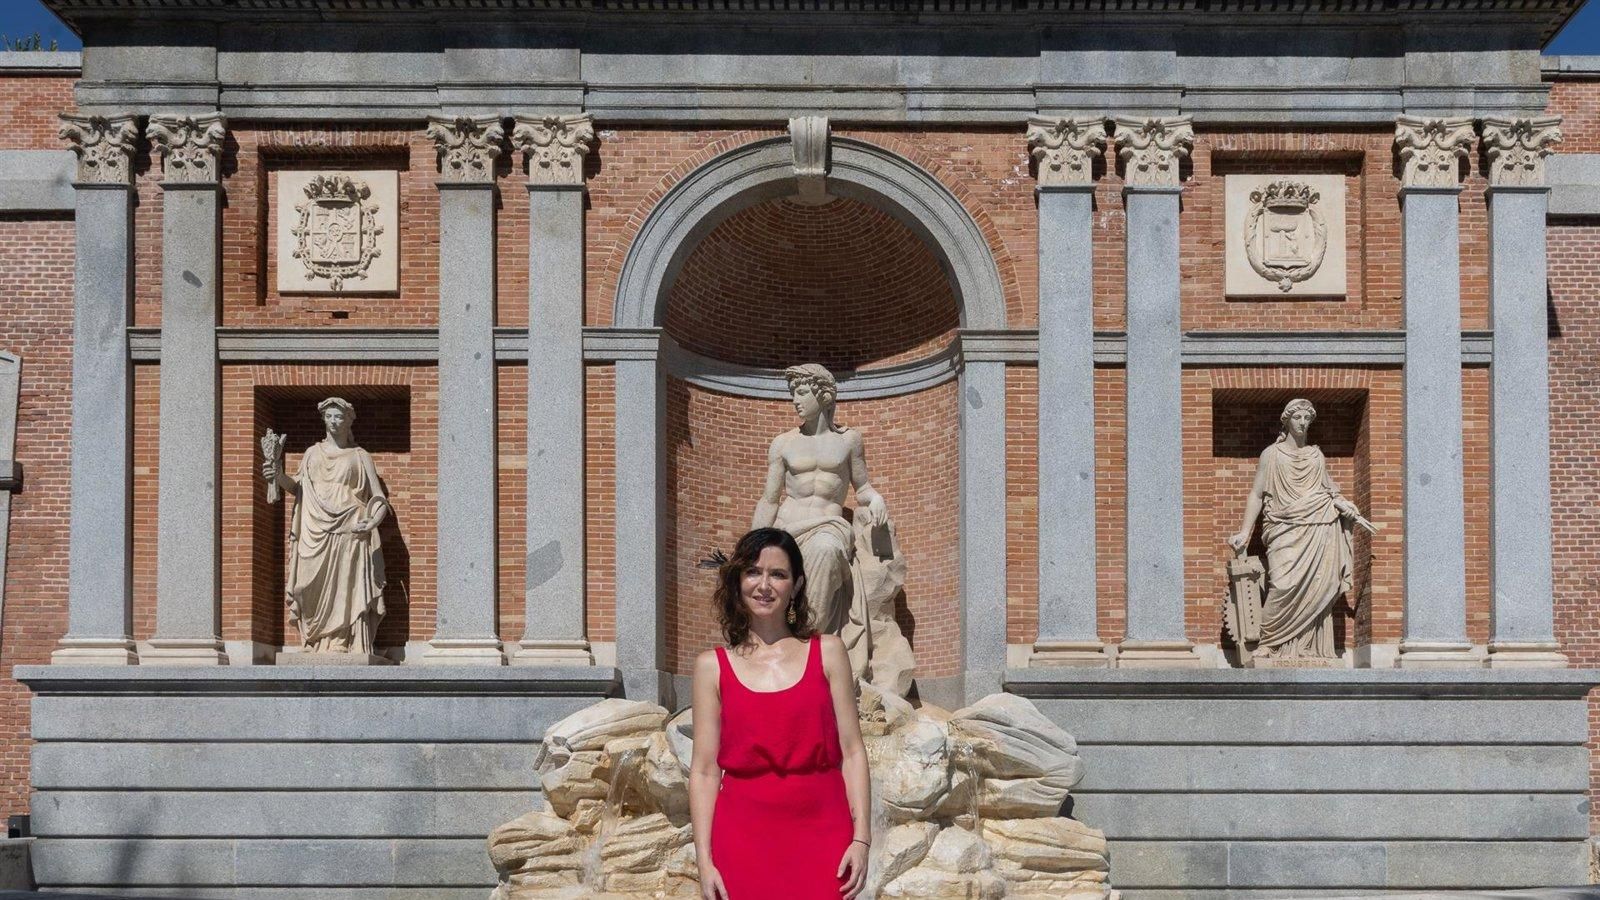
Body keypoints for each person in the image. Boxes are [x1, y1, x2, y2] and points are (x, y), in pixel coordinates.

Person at [688, 528, 872, 900]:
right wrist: (704, 860)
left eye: (778, 574)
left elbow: (853, 752)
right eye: (753, 572)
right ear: (738, 580)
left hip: (824, 834)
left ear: (797, 584)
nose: (764, 585)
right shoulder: (712, 667)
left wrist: (862, 838)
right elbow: (705, 770)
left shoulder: (829, 652)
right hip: (741, 840)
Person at [1227, 398, 1374, 660]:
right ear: (1287, 420)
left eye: (1307, 418)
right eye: (1298, 418)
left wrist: (1346, 505)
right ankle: (1270, 641)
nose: (1303, 423)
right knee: (1282, 584)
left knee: (1319, 584)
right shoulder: (1271, 454)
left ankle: (1310, 647)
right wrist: (1244, 531)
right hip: (1283, 527)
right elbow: (1257, 493)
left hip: (1318, 526)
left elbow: (1328, 491)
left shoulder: (1316, 455)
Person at [262, 397, 388, 655]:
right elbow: (298, 487)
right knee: (306, 586)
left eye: (339, 416)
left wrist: (372, 522)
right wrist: (277, 474)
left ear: (349, 421)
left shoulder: (360, 456)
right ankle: (314, 641)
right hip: (313, 528)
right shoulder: (311, 453)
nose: (333, 421)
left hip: (350, 529)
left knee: (346, 586)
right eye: (329, 416)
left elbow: (378, 499)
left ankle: (343, 640)